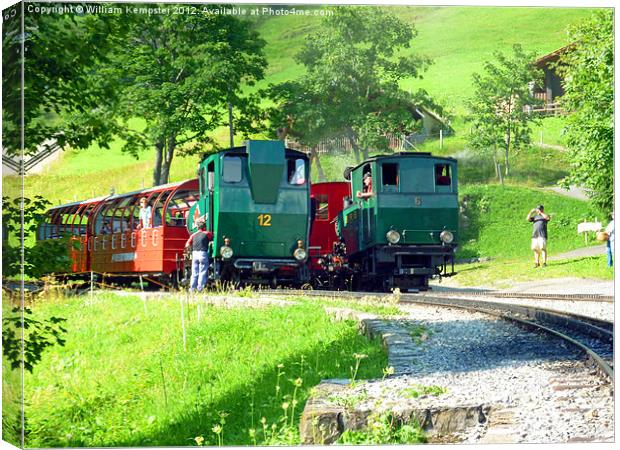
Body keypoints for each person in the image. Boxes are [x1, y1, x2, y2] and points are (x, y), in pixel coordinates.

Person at [184, 219, 213, 292]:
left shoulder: (193, 235)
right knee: (202, 271)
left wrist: (190, 251)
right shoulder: (207, 233)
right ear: (204, 227)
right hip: (203, 253)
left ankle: (192, 289)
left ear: (197, 227)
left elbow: (187, 244)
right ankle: (200, 289)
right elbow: (212, 239)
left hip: (195, 254)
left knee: (194, 272)